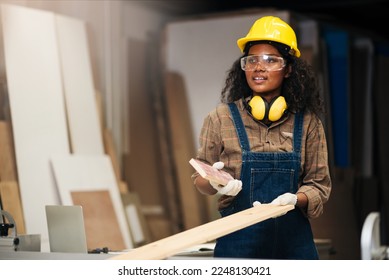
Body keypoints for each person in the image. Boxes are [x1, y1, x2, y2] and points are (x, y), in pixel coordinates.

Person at [191, 15, 332, 259]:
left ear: (288, 69)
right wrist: (214, 182)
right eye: (252, 60)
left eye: (270, 60)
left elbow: (319, 186)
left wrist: (294, 200)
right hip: (238, 244)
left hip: (294, 245)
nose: (258, 67)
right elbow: (200, 181)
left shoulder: (308, 123)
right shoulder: (220, 118)